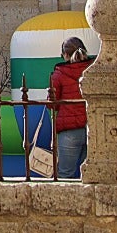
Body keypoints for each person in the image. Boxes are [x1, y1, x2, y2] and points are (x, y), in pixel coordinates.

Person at [48, 36, 94, 179]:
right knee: (91, 175)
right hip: (92, 128)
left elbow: (52, 104)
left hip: (69, 131)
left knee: (64, 174)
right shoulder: (93, 70)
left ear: (65, 55)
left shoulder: (59, 74)